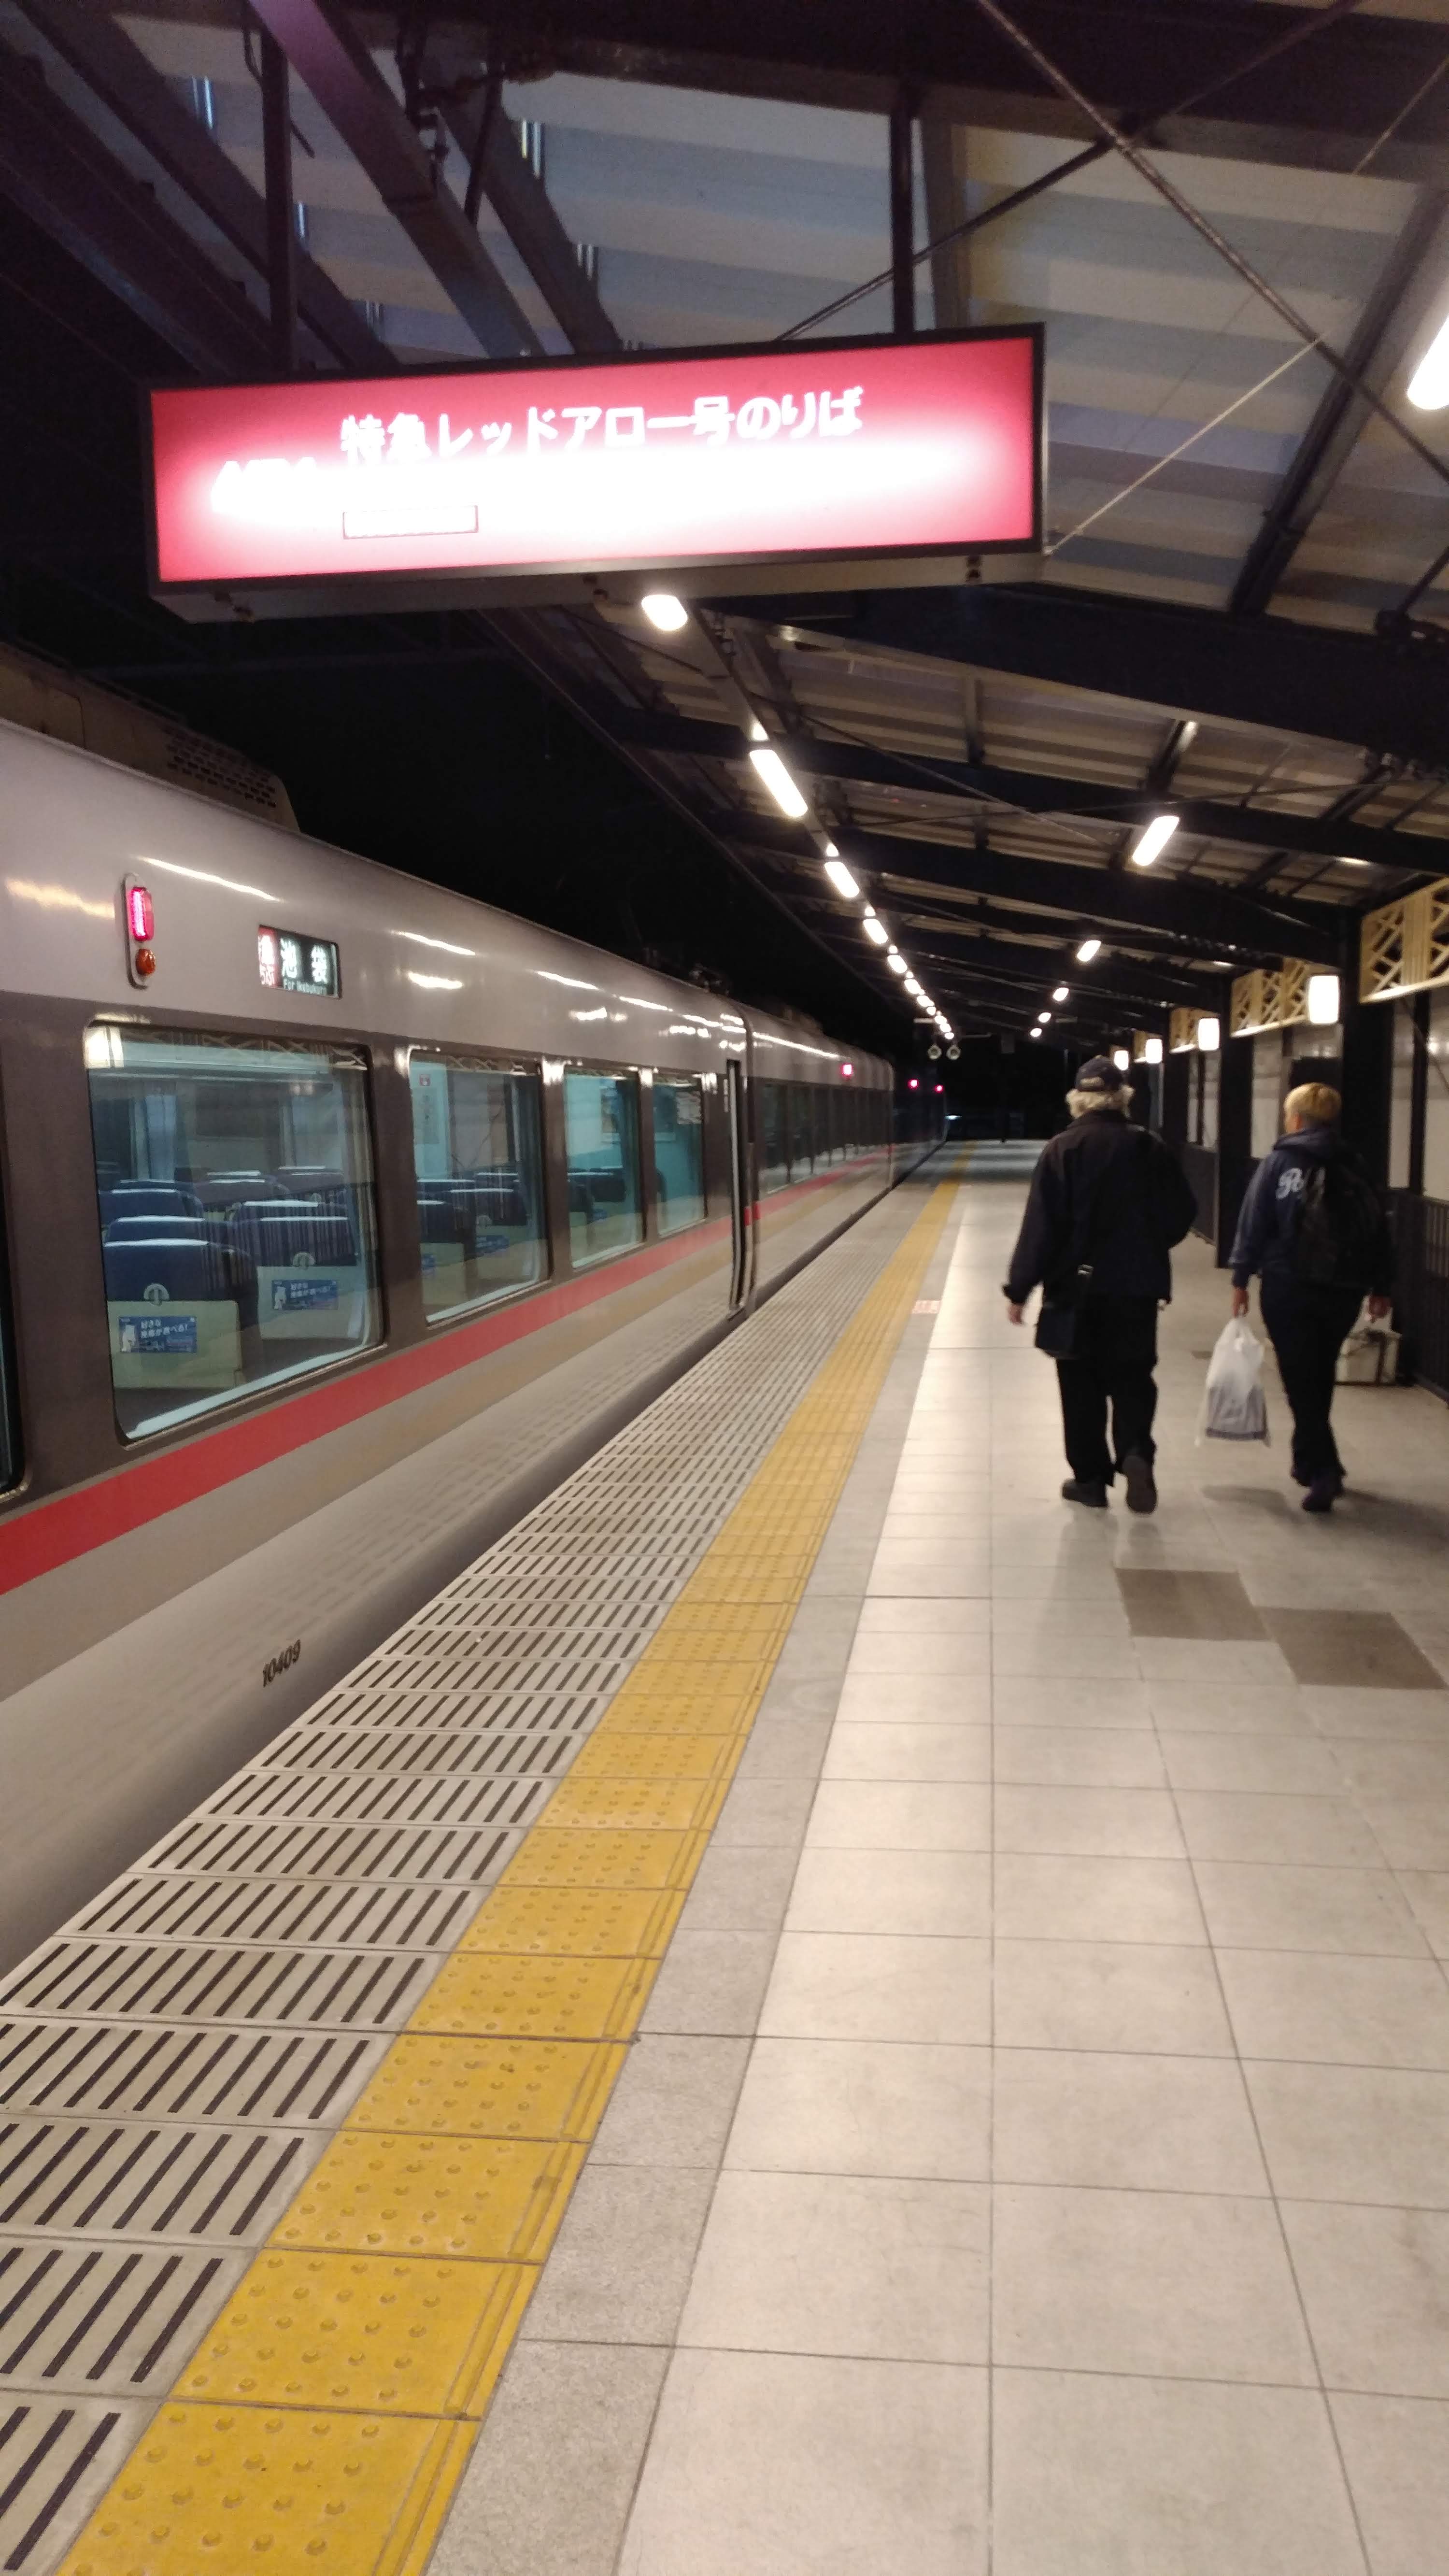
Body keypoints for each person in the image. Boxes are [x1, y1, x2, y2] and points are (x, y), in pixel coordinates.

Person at [1004, 1056, 1198, 1512]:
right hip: (1137, 1289)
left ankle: (1090, 1480)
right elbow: (1182, 1212)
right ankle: (1134, 1452)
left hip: (1076, 1291)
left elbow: (1042, 1228)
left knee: (1080, 1384)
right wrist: (1149, 1245)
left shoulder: (1062, 1149)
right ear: (1122, 1098)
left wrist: (1019, 1288)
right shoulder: (1150, 1147)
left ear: (1078, 1099)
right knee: (1132, 1376)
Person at [1228, 1081, 1394, 1513]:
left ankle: (1325, 1470)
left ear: (1296, 1117)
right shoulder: (1355, 1163)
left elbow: (1255, 1219)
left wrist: (1241, 1277)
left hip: (1289, 1284)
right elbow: (1379, 1228)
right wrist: (1382, 1286)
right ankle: (1309, 1461)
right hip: (1345, 1287)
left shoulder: (1281, 1161)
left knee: (1300, 1379)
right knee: (1317, 1374)